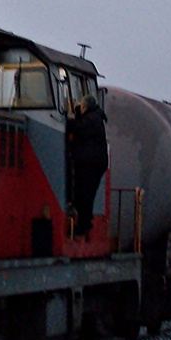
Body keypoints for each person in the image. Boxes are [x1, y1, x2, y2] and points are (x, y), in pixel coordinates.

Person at [68, 95, 108, 238]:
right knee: (86, 195)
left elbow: (78, 128)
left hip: (90, 164)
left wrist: (71, 117)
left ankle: (84, 225)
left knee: (83, 195)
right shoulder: (95, 118)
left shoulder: (92, 120)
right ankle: (85, 223)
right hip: (92, 163)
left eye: (81, 106)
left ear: (85, 107)